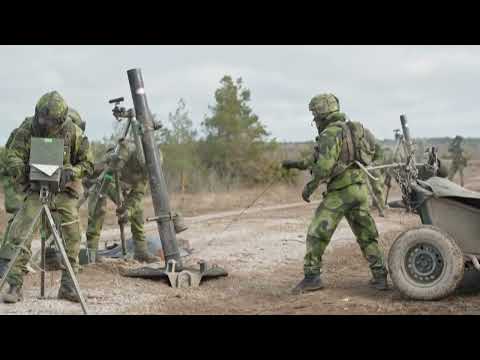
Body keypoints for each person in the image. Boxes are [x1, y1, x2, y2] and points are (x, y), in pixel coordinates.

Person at [282, 93, 388, 294]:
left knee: (316, 233)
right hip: (359, 190)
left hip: (340, 194)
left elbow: (322, 168)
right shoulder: (357, 130)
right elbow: (379, 153)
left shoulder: (329, 134)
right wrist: (294, 164)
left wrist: (309, 188)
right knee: (367, 235)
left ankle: (312, 277)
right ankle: (380, 276)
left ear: (322, 112)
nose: (314, 119)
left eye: (314, 114)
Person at [0, 91, 93, 303]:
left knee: (72, 232)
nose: (44, 123)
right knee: (21, 231)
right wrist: (22, 170)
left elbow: (87, 163)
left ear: (60, 120)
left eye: (50, 121)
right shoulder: (29, 127)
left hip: (63, 191)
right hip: (35, 189)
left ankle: (69, 286)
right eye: (42, 118)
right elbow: (12, 154)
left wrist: (71, 171)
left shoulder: (74, 132)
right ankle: (15, 285)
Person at [84, 139, 187, 264]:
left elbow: (137, 195)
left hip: (119, 184)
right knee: (99, 209)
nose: (144, 173)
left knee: (137, 209)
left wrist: (128, 211)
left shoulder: (147, 169)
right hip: (101, 179)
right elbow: (107, 175)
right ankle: (91, 252)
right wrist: (121, 201)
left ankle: (141, 251)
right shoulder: (125, 154)